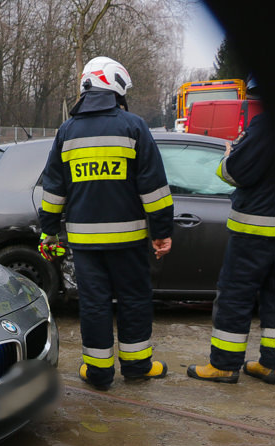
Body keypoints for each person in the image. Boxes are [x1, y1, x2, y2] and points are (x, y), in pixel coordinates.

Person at [38, 56, 173, 391]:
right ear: (114, 86)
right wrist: (161, 233)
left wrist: (49, 231)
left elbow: (53, 190)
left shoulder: (66, 131)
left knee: (95, 304)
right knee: (134, 300)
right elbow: (154, 188)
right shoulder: (134, 126)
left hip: (85, 245)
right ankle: (137, 366)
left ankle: (98, 373)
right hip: (129, 241)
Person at [188, 78, 275, 385]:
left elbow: (234, 172)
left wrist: (229, 154)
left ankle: (224, 365)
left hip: (255, 231)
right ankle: (271, 365)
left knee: (235, 296)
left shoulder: (265, 127)